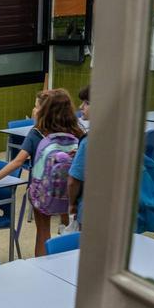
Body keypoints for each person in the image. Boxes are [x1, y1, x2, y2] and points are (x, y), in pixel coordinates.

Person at [0, 88, 84, 256]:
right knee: (69, 227)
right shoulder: (77, 131)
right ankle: (64, 240)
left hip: (43, 192)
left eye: (37, 106)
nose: (34, 110)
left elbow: (17, 161)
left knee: (43, 232)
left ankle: (42, 265)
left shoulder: (37, 132)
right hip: (70, 191)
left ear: (46, 110)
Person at [68, 84, 90, 225]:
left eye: (87, 103)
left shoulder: (89, 141)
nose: (81, 107)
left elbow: (73, 181)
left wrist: (72, 204)